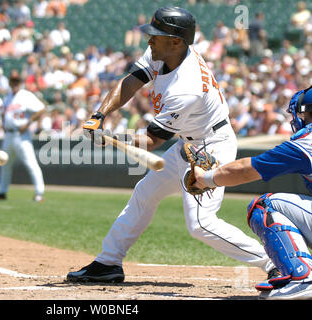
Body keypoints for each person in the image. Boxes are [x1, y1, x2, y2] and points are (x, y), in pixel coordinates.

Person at [66, 6, 276, 284]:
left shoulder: (186, 87)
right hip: (187, 142)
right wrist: (99, 115)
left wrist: (112, 138)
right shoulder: (164, 52)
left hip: (211, 148)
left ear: (176, 40)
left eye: (156, 35)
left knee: (201, 224)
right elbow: (131, 82)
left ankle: (275, 262)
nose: (149, 40)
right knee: (144, 195)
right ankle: (108, 263)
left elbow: (152, 141)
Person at [192, 86, 312, 300]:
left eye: (303, 113)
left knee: (265, 206)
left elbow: (247, 170)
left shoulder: (308, 141)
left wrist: (206, 178)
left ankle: (304, 278)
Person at [0, 73, 46, 202]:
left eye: (17, 82)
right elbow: (5, 112)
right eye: (13, 81)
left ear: (20, 83)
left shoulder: (26, 95)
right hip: (9, 135)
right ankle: (2, 192)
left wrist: (28, 123)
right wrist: (3, 123)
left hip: (21, 135)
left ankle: (39, 193)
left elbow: (41, 109)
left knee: (31, 164)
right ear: (10, 83)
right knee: (5, 164)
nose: (15, 84)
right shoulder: (8, 97)